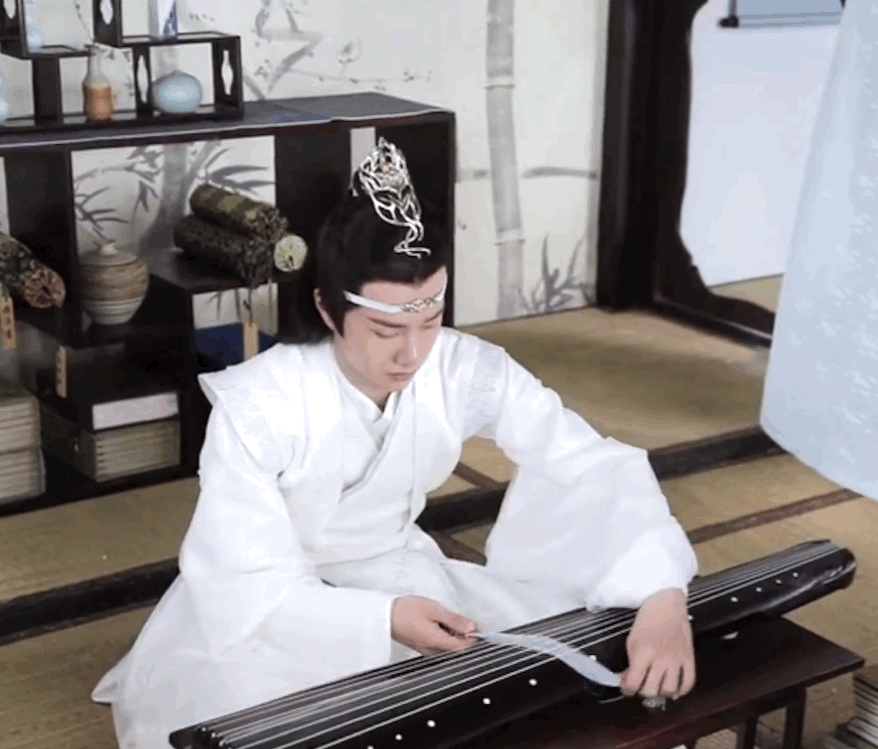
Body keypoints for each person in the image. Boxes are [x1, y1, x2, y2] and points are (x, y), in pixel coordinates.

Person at [92, 139, 698, 749]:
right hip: (275, 607)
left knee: (547, 681)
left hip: (402, 574)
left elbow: (587, 461)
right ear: (327, 309)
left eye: (429, 323)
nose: (412, 354)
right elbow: (240, 574)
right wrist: (380, 618)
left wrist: (663, 596)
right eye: (386, 329)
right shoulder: (259, 404)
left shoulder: (463, 368)